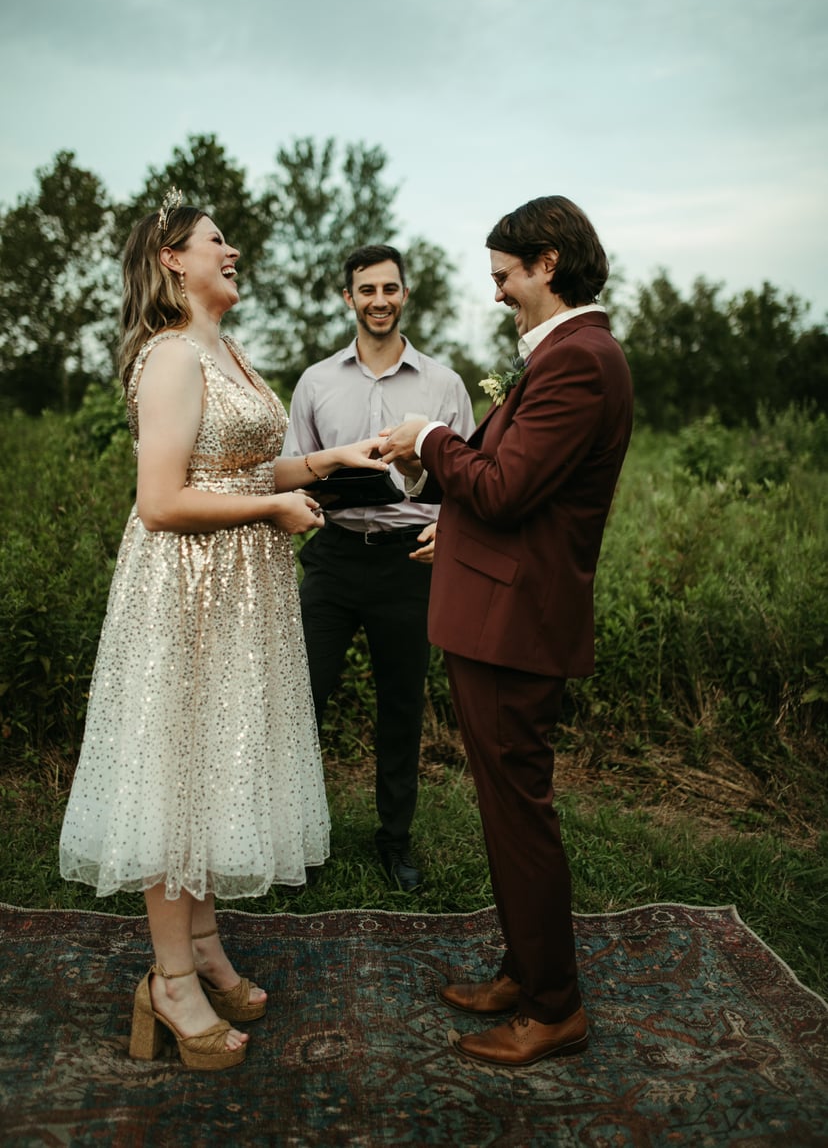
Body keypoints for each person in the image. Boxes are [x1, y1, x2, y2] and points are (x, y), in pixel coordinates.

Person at [59, 191, 389, 1070]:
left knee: (213, 763)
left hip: (242, 592)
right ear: (173, 258)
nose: (232, 249)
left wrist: (324, 463)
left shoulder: (226, 349)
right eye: (216, 240)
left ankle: (203, 946)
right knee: (177, 770)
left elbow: (239, 466)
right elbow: (162, 502)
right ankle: (169, 981)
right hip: (185, 591)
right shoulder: (171, 355)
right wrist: (273, 510)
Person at [379, 196, 633, 1066]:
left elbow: (503, 488)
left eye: (503, 276)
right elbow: (516, 487)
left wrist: (430, 436)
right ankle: (525, 971)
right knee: (503, 806)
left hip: (516, 623)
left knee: (519, 813)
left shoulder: (580, 360)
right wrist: (452, 525)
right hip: (497, 610)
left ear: (548, 263)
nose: (495, 293)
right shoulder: (564, 355)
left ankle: (555, 1006)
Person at [283, 245, 474, 890]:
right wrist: (310, 499)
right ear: (349, 298)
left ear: (405, 294)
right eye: (367, 290)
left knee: (400, 706)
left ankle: (395, 842)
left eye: (390, 288)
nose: (380, 300)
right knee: (303, 699)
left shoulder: (444, 385)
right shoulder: (315, 382)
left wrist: (449, 529)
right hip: (333, 558)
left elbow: (469, 478)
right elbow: (294, 470)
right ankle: (299, 840)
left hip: (409, 561)